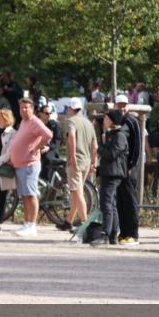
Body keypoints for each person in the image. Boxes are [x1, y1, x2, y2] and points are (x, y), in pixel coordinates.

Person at [9, 99, 53, 237]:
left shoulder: (35, 122)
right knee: (25, 196)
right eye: (21, 107)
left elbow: (48, 135)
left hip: (30, 164)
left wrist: (37, 147)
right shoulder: (23, 122)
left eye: (26, 108)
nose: (24, 110)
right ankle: (27, 224)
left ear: (32, 109)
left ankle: (32, 225)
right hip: (21, 164)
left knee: (31, 195)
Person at [57, 98, 97, 231]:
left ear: (70, 108)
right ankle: (69, 221)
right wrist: (94, 161)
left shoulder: (70, 121)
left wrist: (73, 156)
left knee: (78, 192)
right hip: (86, 161)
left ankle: (85, 224)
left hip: (76, 161)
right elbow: (94, 144)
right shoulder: (88, 123)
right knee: (76, 192)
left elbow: (71, 136)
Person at [94, 109, 128, 246]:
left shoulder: (119, 136)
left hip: (113, 173)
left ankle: (105, 234)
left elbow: (111, 154)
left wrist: (99, 147)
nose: (104, 121)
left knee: (106, 204)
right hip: (108, 172)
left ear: (113, 121)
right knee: (111, 205)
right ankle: (113, 234)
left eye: (107, 118)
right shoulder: (111, 134)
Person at [114, 95, 143, 246]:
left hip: (129, 168)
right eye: (119, 105)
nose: (122, 108)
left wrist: (132, 166)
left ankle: (133, 233)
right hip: (117, 169)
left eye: (124, 105)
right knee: (120, 201)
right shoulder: (115, 121)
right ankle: (123, 232)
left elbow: (137, 146)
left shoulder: (132, 121)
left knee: (131, 201)